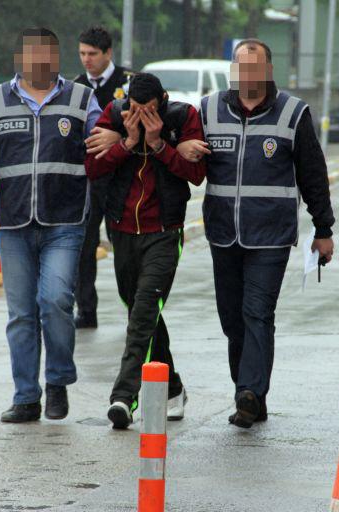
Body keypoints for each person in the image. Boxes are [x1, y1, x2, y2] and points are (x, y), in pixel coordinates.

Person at [189, 39, 335, 428]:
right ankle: (252, 391)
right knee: (231, 320)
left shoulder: (293, 113)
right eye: (241, 68)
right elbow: (183, 150)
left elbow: (313, 174)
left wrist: (324, 229)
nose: (247, 75)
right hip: (223, 234)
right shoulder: (208, 109)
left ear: (268, 71)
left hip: (270, 236)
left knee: (257, 313)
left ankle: (248, 394)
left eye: (255, 68)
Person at [0, 27, 101, 423]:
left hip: (66, 220)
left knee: (55, 301)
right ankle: (25, 396)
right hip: (14, 222)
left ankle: (57, 380)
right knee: (21, 314)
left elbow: (104, 144)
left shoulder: (81, 99)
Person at [85, 73, 206, 429]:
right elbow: (92, 167)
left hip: (164, 232)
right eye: (135, 110)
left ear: (163, 101)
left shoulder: (183, 118)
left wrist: (159, 145)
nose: (140, 116)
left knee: (141, 317)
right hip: (121, 231)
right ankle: (174, 387)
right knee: (142, 311)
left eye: (149, 110)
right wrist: (127, 140)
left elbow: (196, 174)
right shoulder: (115, 113)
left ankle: (123, 397)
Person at [72, 26, 134, 329]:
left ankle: (134, 309)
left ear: (108, 53)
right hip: (90, 179)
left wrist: (116, 136)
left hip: (123, 179)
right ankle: (86, 309)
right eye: (82, 53)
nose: (86, 60)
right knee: (83, 245)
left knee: (123, 246)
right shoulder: (75, 87)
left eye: (92, 54)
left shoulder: (130, 83)